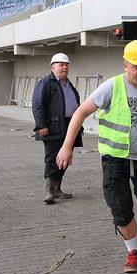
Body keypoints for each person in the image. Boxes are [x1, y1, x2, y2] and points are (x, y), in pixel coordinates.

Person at [56, 40, 137, 274]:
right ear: (125, 65)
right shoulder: (111, 86)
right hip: (114, 156)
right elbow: (80, 112)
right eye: (136, 66)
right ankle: (133, 252)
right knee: (120, 205)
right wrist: (67, 146)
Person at [32, 52, 83, 205]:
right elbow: (37, 104)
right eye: (61, 64)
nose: (64, 67)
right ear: (53, 67)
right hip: (52, 127)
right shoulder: (46, 82)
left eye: (66, 64)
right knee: (51, 158)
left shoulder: (69, 84)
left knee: (65, 158)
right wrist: (41, 125)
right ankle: (49, 191)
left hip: (69, 126)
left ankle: (58, 189)